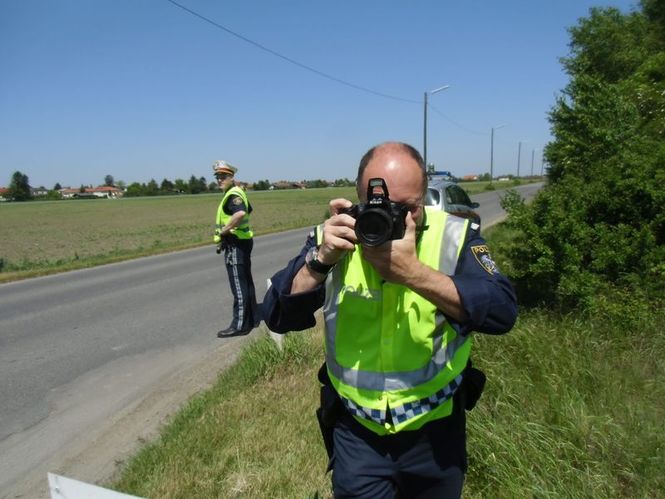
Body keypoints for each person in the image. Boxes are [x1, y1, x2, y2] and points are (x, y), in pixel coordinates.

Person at [262, 142, 517, 498]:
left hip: (435, 433)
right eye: (380, 209)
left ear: (424, 197)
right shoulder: (337, 238)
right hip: (358, 432)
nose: (398, 221)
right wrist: (320, 261)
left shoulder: (455, 236)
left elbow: (502, 311)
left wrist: (414, 273)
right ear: (358, 201)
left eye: (410, 209)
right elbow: (275, 314)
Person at [212, 160, 260, 338]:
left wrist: (225, 231)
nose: (219, 180)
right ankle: (253, 318)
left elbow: (240, 213)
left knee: (239, 286)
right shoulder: (237, 192)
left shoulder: (232, 194)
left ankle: (239, 325)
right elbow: (248, 210)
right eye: (217, 177)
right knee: (246, 282)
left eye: (223, 176)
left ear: (232, 177)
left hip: (235, 243)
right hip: (243, 241)